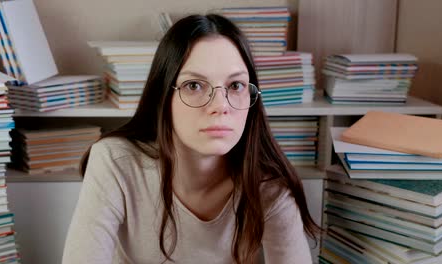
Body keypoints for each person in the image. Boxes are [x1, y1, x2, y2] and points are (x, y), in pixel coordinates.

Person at [62, 14, 319, 264]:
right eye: (194, 85)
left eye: (236, 86)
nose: (220, 106)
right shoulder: (116, 162)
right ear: (164, 97)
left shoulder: (270, 186)